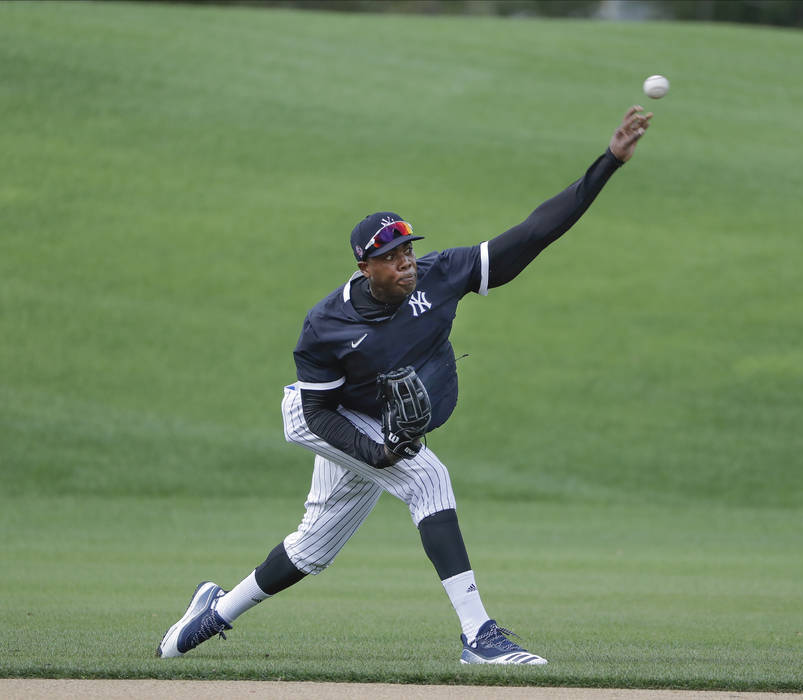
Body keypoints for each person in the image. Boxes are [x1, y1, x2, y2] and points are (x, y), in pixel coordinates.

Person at [157, 105, 652, 664]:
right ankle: (478, 635)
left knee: (312, 548)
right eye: (390, 257)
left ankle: (210, 614)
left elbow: (534, 231)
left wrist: (608, 163)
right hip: (324, 417)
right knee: (429, 480)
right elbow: (318, 416)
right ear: (364, 268)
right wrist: (379, 452)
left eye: (407, 250)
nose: (406, 262)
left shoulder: (440, 275)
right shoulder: (327, 327)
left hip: (373, 419)